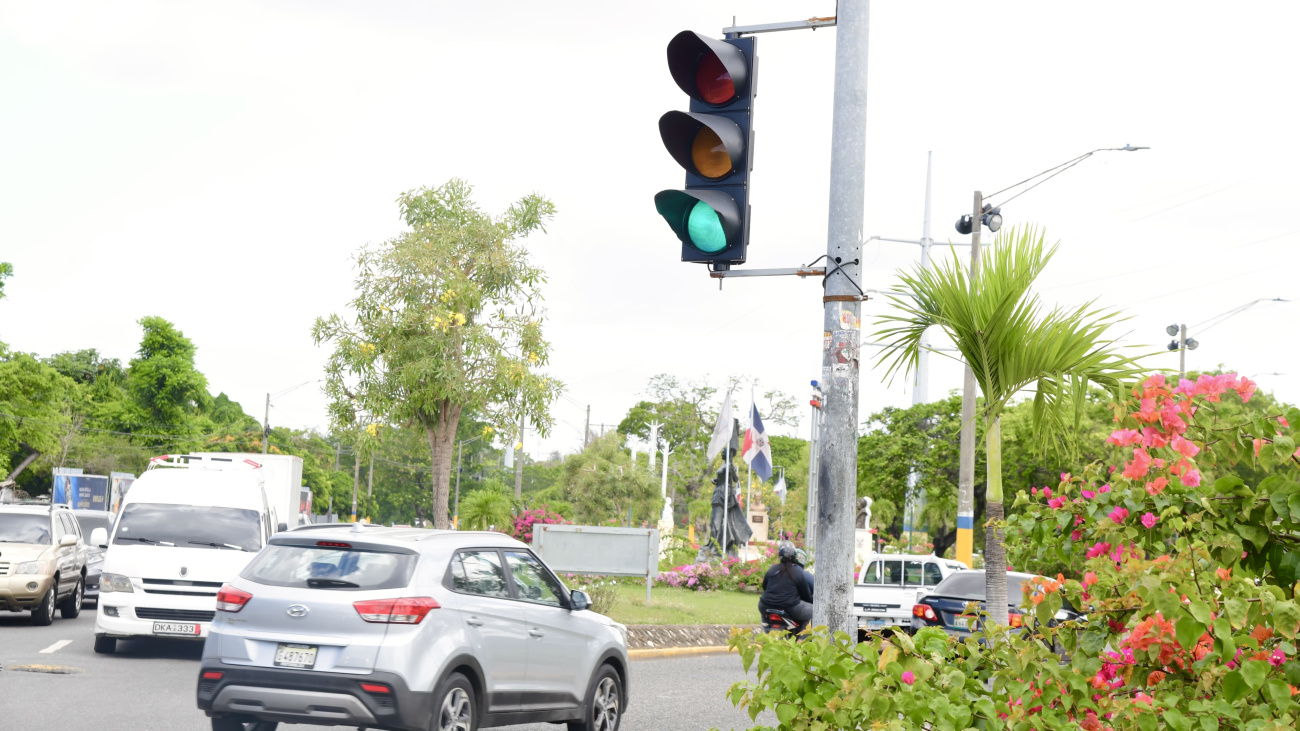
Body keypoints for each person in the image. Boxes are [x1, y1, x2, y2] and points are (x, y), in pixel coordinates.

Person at [759, 542, 814, 626]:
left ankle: (767, 633)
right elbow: (806, 596)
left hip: (765, 605)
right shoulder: (797, 572)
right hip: (789, 607)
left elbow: (765, 587)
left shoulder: (772, 569)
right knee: (814, 612)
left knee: (765, 617)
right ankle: (802, 638)